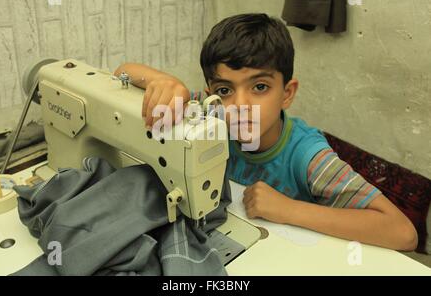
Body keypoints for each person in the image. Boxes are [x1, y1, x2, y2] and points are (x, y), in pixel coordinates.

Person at [114, 13, 417, 251]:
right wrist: (169, 83)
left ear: (287, 93)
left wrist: (289, 209)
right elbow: (121, 72)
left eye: (260, 87)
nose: (241, 105)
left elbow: (403, 233)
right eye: (225, 89)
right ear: (210, 94)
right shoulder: (210, 112)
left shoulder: (307, 156)